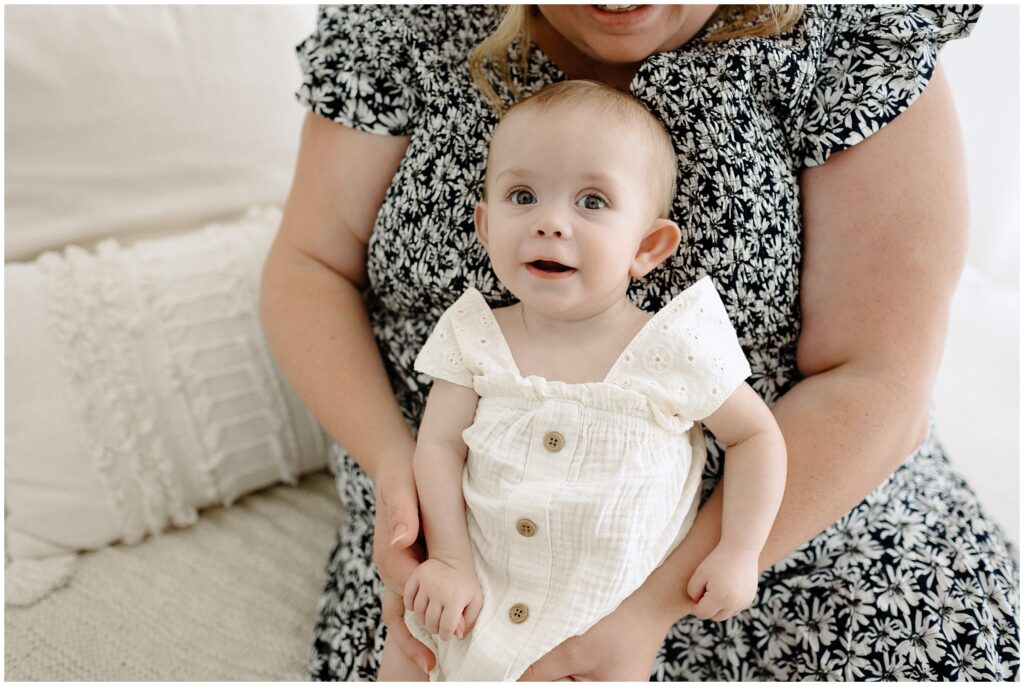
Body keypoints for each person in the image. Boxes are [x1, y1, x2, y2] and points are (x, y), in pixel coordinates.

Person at [261, 4, 1019, 681]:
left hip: (778, 536)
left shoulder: (850, 35)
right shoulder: (405, 23)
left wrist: (648, 609)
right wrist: (403, 475)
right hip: (467, 547)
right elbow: (309, 265)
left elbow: (876, 379)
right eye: (523, 197)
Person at [375, 80, 787, 681]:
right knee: (411, 660)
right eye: (522, 195)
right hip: (473, 599)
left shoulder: (673, 346)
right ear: (485, 227)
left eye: (591, 202)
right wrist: (448, 560)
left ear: (646, 247)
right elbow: (436, 447)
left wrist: (739, 550)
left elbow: (756, 438)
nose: (549, 222)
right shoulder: (477, 337)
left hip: (600, 622)